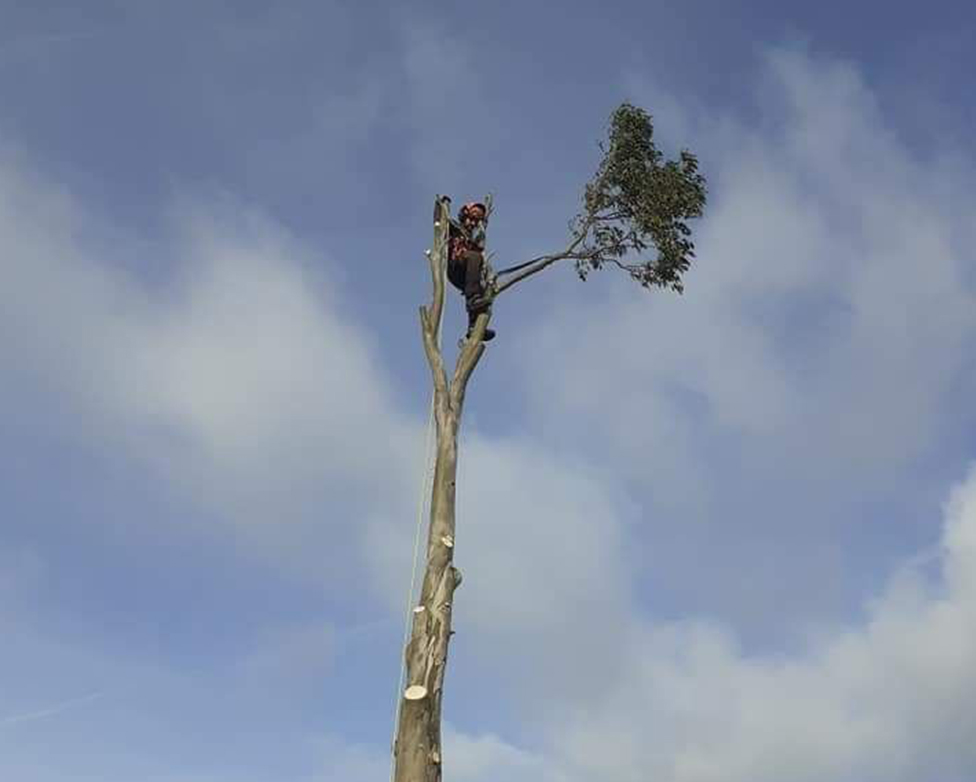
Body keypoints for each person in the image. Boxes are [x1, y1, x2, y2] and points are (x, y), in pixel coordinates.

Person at [448, 201, 496, 342]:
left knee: (482, 288)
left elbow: (480, 247)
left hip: (466, 273)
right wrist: (442, 205)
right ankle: (473, 299)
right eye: (472, 218)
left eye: (477, 220)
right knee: (475, 256)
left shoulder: (473, 239)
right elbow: (439, 220)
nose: (473, 223)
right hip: (454, 265)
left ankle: (474, 327)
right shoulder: (454, 227)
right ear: (465, 215)